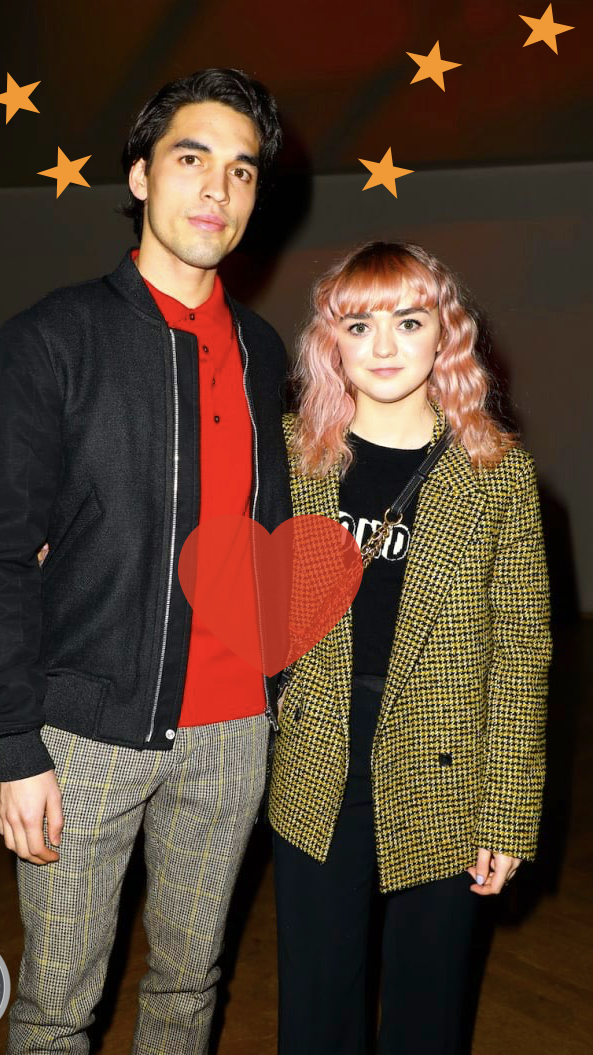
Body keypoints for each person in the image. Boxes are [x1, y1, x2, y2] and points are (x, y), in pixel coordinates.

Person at [0, 68, 291, 1054]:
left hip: (233, 734)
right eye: (191, 158)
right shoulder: (52, 339)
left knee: (190, 985)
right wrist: (15, 745)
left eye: (241, 170)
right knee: (58, 1004)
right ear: (141, 176)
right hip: (84, 734)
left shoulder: (266, 352)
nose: (217, 189)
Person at [268, 240, 551, 1055]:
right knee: (317, 1009)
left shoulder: (497, 473)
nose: (384, 345)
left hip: (445, 769)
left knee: (428, 1013)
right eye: (360, 324)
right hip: (316, 762)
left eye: (409, 320)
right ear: (332, 339)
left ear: (445, 334)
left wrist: (507, 811)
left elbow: (522, 654)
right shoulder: (286, 456)